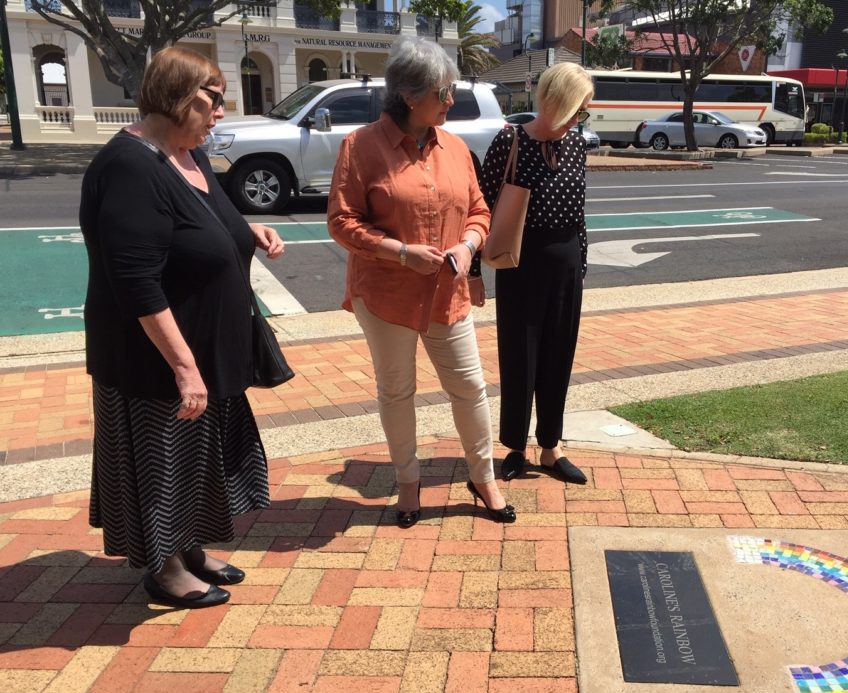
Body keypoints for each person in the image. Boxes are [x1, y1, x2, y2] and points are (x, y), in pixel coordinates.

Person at [80, 48, 285, 609]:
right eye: (214, 99)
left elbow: (207, 218)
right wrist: (184, 366)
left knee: (200, 457)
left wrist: (249, 235)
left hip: (207, 347)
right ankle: (165, 568)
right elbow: (136, 281)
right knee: (165, 461)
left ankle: (189, 548)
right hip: (155, 359)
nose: (221, 112)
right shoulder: (130, 166)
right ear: (178, 96)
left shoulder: (182, 154)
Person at [327, 37, 514, 527]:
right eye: (443, 91)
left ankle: (483, 477)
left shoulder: (454, 148)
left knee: (470, 388)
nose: (451, 100)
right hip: (386, 294)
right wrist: (402, 253)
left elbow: (479, 210)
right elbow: (342, 222)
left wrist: (468, 247)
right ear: (410, 96)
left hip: (446, 293)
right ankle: (408, 484)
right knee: (396, 391)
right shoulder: (360, 146)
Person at [479, 63, 593, 485]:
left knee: (557, 356)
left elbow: (580, 214)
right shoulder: (510, 140)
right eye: (579, 109)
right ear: (558, 102)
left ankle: (551, 447)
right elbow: (482, 208)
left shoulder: (578, 146)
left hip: (565, 262)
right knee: (519, 356)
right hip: (520, 262)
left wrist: (580, 262)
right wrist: (474, 272)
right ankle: (514, 447)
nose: (581, 118)